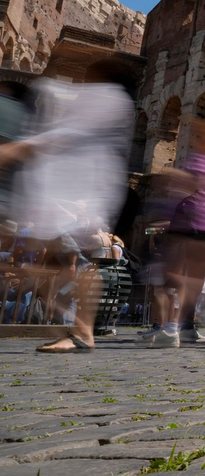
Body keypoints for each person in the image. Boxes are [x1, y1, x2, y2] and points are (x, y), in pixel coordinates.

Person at [0, 61, 134, 353]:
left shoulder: (109, 98)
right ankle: (76, 330)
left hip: (79, 196)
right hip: (68, 193)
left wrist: (17, 150)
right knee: (55, 262)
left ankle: (81, 332)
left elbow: (69, 135)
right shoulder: (103, 98)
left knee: (74, 264)